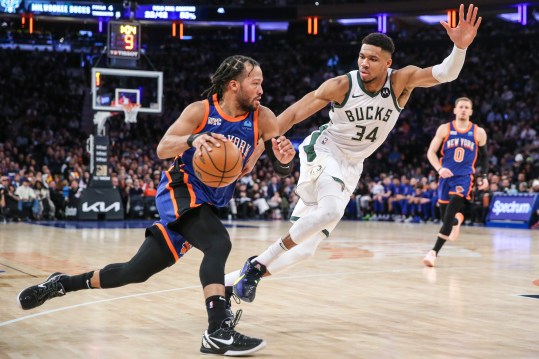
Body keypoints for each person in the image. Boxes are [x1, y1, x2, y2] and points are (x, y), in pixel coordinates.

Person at [17, 55, 296, 356]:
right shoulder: (200, 111)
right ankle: (217, 330)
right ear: (233, 85)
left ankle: (61, 284)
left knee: (134, 271)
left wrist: (284, 161)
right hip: (180, 189)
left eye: (262, 84)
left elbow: (279, 161)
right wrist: (193, 140)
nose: (261, 90)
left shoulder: (263, 117)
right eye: (255, 83)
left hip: (207, 203)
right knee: (218, 243)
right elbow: (163, 148)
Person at [228, 4, 482, 303]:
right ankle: (257, 267)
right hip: (324, 150)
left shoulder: (401, 81)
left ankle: (224, 284)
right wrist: (257, 152)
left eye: (373, 59)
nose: (365, 62)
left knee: (306, 250)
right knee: (332, 210)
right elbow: (294, 113)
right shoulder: (341, 85)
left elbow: (445, 73)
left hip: (352, 165)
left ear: (388, 63)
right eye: (362, 56)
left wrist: (459, 47)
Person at [422, 97, 488, 267]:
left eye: (467, 107)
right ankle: (457, 221)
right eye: (461, 107)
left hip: (464, 178)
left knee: (450, 212)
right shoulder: (445, 129)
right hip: (445, 177)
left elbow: (485, 158)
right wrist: (439, 169)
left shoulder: (478, 132)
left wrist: (485, 176)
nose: (464, 109)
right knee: (446, 218)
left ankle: (433, 252)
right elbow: (431, 152)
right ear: (455, 110)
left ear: (471, 111)